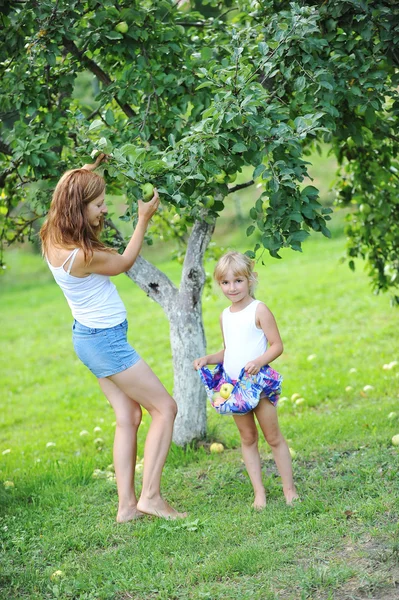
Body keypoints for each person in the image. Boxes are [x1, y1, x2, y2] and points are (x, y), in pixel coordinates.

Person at [40, 154, 186, 522]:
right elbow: (123, 264)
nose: (104, 209)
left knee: (128, 415)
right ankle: (150, 497)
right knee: (165, 408)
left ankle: (126, 508)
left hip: (89, 339)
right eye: (99, 204)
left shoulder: (51, 234)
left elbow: (67, 191)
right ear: (78, 207)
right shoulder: (79, 255)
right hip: (104, 342)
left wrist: (87, 170)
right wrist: (143, 219)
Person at [194, 251, 298, 508]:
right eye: (226, 283)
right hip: (234, 387)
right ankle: (259, 493)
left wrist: (259, 361)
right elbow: (229, 350)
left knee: (273, 437)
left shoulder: (258, 310)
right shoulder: (225, 316)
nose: (232, 288)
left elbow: (276, 345)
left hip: (257, 385)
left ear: (251, 279)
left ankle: (289, 489)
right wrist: (209, 358)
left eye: (238, 281)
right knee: (248, 438)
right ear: (219, 284)